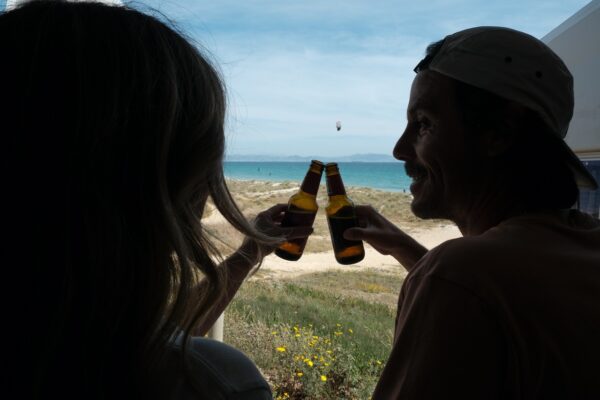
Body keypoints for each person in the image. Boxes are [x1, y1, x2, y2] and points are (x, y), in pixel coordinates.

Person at [2, 1, 309, 398]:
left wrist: (250, 251)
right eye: (200, 175)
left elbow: (147, 336)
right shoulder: (216, 383)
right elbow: (151, 349)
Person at [343, 27, 600, 398]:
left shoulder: (461, 274)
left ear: (497, 133)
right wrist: (407, 249)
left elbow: (472, 283)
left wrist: (436, 273)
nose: (400, 149)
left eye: (424, 124)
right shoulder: (582, 246)